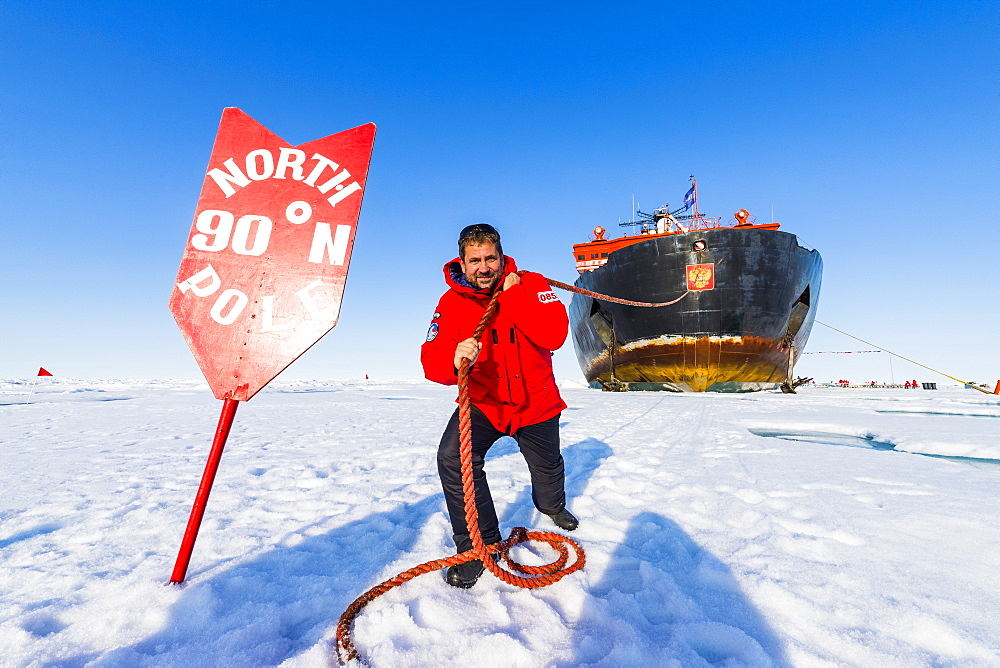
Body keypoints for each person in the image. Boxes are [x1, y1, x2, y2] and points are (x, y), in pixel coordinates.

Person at [421, 223, 578, 589]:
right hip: (485, 403)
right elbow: (431, 359)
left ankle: (552, 506)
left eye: (490, 258)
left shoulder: (532, 285)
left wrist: (515, 297)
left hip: (535, 402)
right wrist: (454, 358)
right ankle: (479, 546)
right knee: (453, 460)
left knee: (548, 468)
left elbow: (554, 334)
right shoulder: (450, 303)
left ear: (501, 256)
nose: (483, 267)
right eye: (474, 260)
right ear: (462, 262)